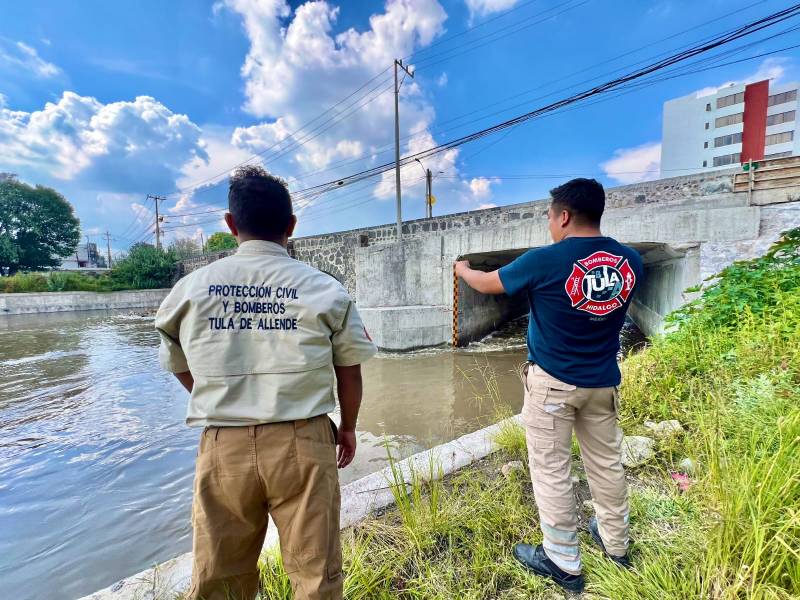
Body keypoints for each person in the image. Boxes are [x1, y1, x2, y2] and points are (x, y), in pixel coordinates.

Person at [155, 165, 376, 600]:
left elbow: (178, 363)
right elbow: (349, 370)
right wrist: (347, 427)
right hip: (303, 442)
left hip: (223, 445)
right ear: (291, 227)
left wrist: (218, 397)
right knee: (315, 576)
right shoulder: (324, 289)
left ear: (231, 224)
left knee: (219, 574)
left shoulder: (188, 291)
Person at [455, 178, 643, 593]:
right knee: (606, 463)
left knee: (552, 469)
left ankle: (562, 561)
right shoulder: (630, 262)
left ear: (563, 216)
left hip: (552, 386)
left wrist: (462, 268)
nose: (549, 225)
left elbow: (487, 284)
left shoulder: (544, 260)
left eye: (549, 217)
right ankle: (617, 543)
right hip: (602, 383)